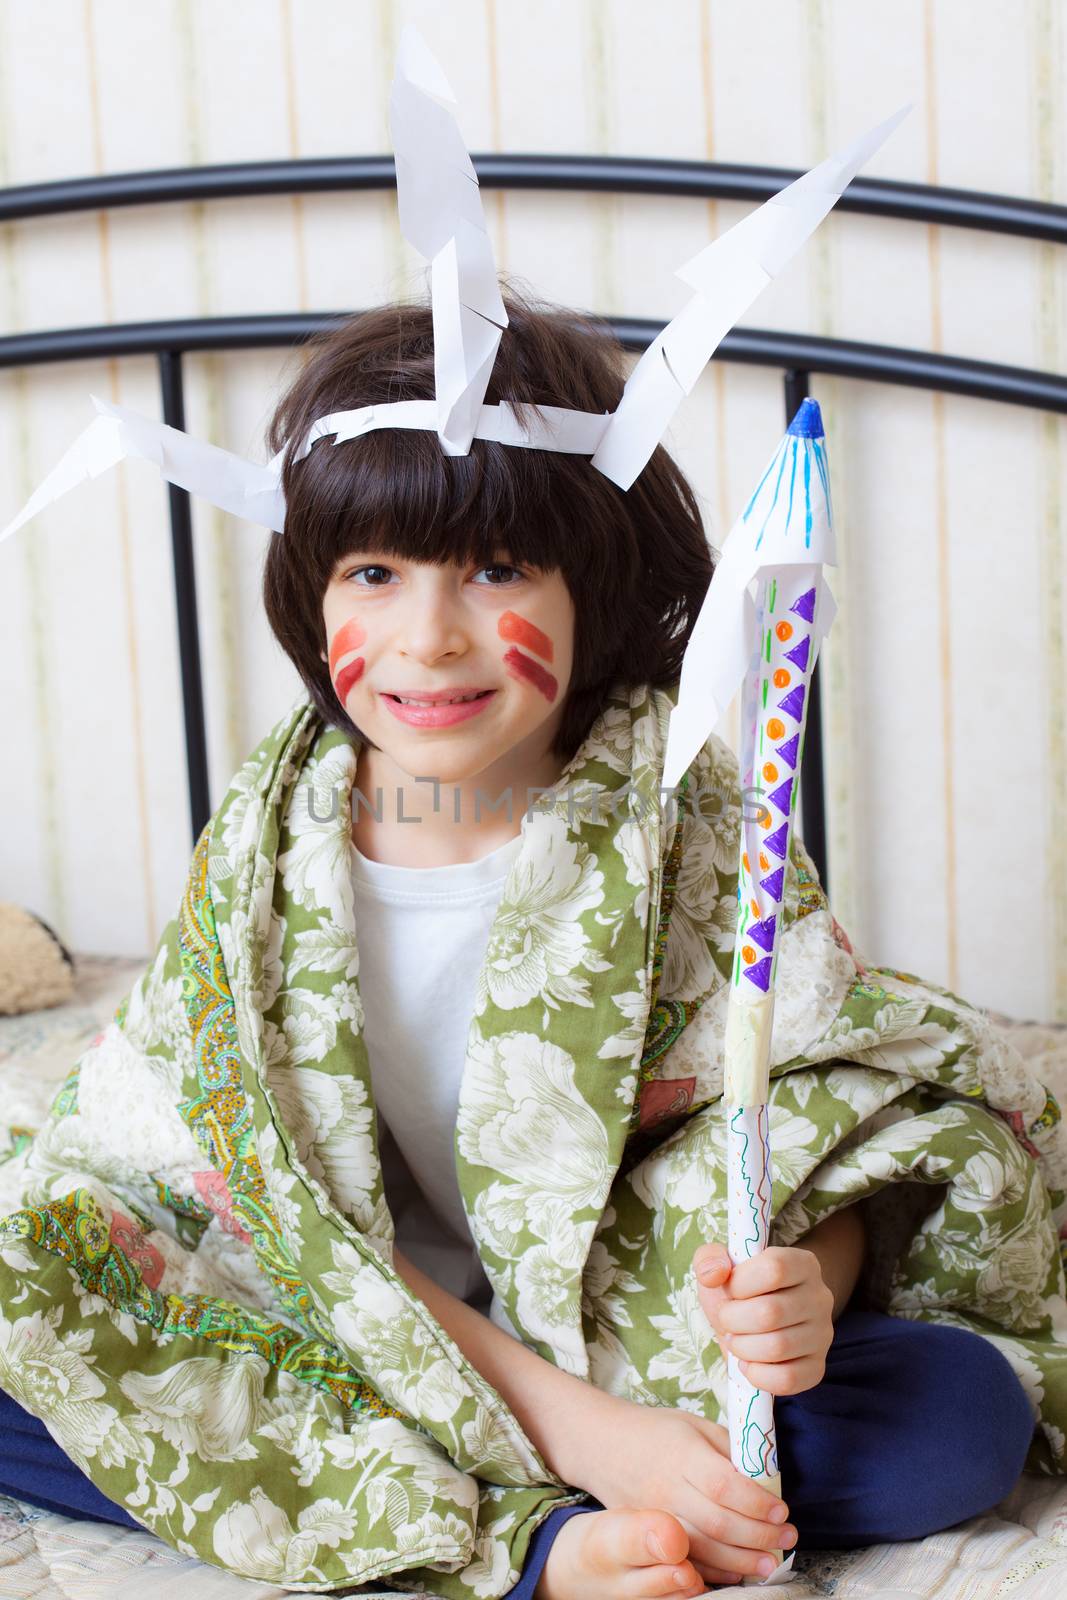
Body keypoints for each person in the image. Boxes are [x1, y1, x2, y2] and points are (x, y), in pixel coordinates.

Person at [0, 289, 1053, 1597]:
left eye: (496, 568)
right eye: (373, 573)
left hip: (624, 1313)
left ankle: (418, 1477)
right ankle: (534, 1536)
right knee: (33, 1318)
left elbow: (813, 1099)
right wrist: (593, 1444)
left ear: (590, 586)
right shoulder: (272, 845)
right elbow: (244, 1195)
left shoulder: (690, 813)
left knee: (955, 1423)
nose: (427, 638)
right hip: (358, 1315)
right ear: (310, 586)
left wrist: (802, 1292)